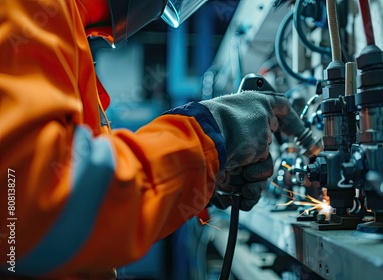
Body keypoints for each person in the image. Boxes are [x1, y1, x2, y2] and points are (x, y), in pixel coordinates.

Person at [0, 0, 292, 277]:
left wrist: (204, 175)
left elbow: (86, 191)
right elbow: (31, 207)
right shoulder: (33, 9)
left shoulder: (68, 27)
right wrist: (211, 136)